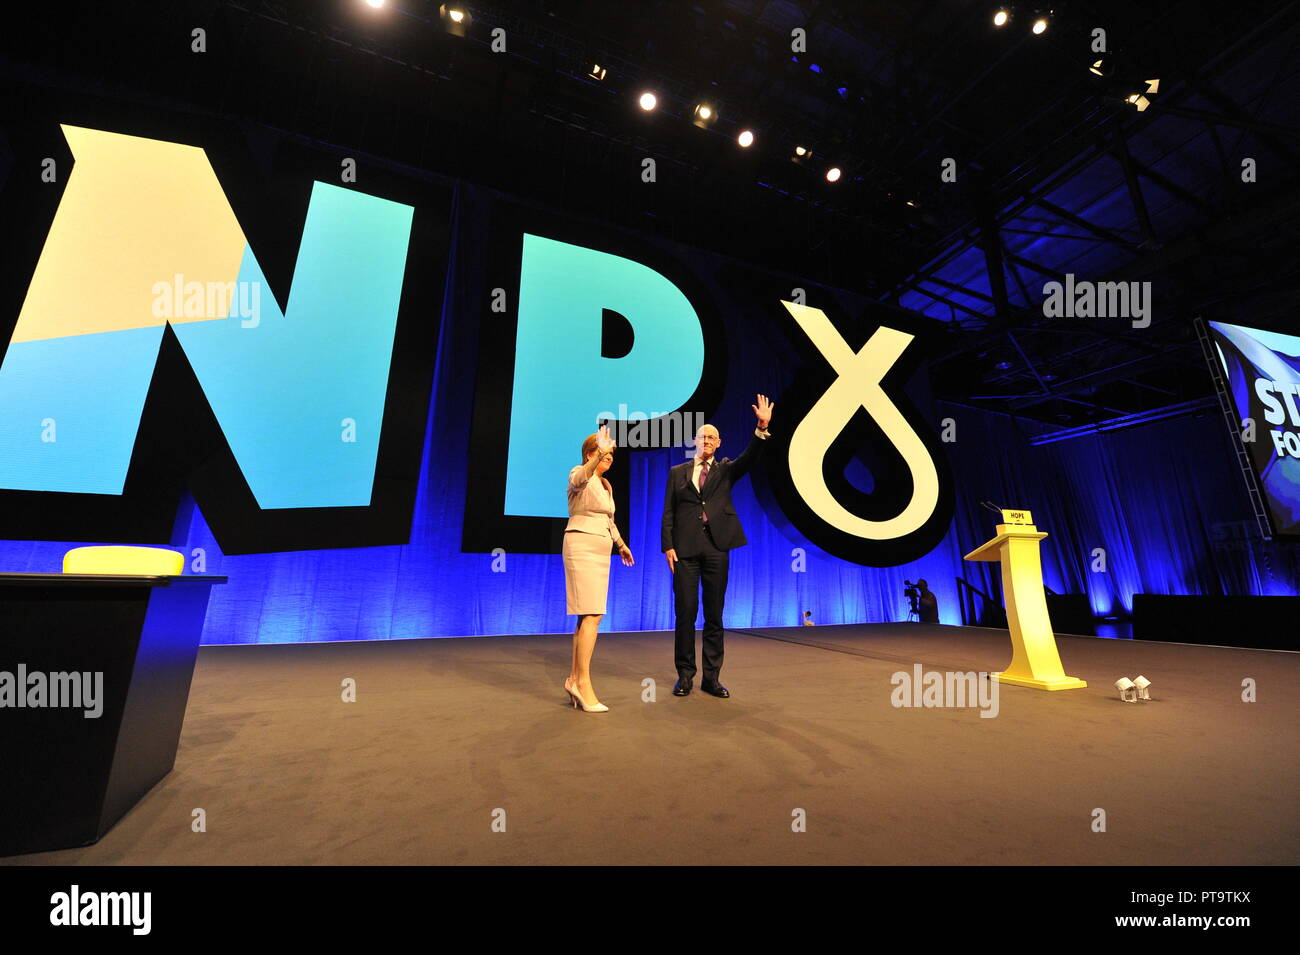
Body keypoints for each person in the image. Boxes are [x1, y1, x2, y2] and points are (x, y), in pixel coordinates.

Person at [661, 395, 773, 698]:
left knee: (714, 614)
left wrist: (761, 428)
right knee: (685, 613)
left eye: (712, 437)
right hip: (684, 551)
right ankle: (685, 675)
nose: (707, 440)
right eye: (703, 436)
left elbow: (750, 459)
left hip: (716, 549)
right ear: (695, 441)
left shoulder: (724, 470)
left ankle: (711, 678)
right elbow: (668, 511)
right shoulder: (677, 473)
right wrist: (667, 546)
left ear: (719, 443)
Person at [563, 425, 634, 713]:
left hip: (601, 548)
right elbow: (582, 476)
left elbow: (608, 519)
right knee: (592, 613)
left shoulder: (606, 486)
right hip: (580, 545)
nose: (609, 457)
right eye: (604, 453)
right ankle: (583, 684)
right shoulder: (579, 474)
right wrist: (596, 457)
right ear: (590, 454)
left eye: (611, 454)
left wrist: (620, 543)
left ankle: (573, 679)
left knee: (588, 616)